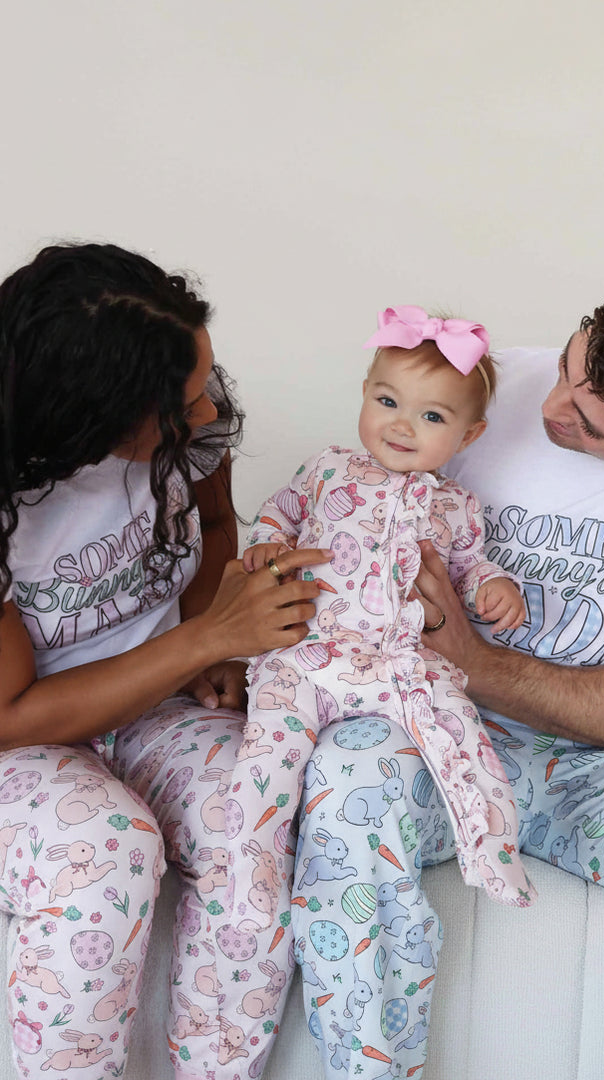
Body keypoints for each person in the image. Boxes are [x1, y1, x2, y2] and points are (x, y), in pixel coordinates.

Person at [294, 266, 604, 1080]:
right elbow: (342, 514)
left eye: (591, 426)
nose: (552, 407)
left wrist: (479, 662)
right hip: (429, 730)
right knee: (347, 779)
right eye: (568, 367)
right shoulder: (476, 390)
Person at [0, 241, 330, 1080]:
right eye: (180, 405)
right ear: (91, 416)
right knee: (109, 847)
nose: (206, 409)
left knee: (255, 810)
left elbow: (214, 528)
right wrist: (210, 637)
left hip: (157, 707)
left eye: (204, 383)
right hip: (27, 739)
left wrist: (210, 646)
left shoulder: (197, 406)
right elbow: (13, 716)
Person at [240, 305, 534, 1074]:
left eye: (431, 415)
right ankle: (251, 856)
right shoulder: (328, 467)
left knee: (457, 734)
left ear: (466, 438)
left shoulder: (454, 504)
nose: (402, 425)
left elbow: (473, 567)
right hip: (309, 654)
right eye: (387, 400)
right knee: (268, 751)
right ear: (365, 393)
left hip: (398, 662)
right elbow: (278, 512)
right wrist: (267, 542)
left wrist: (498, 587)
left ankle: (489, 848)